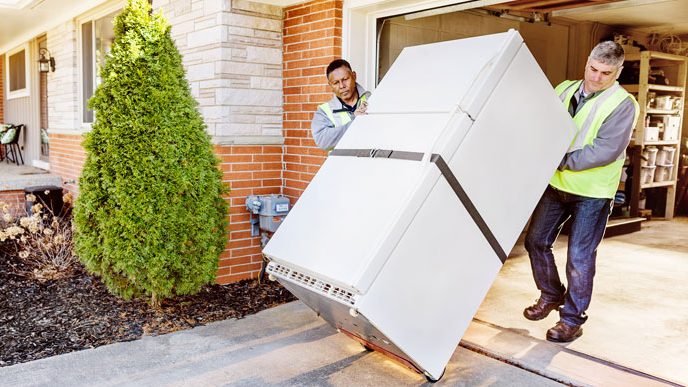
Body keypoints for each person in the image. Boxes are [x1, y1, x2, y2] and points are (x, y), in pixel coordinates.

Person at [523, 41, 639, 342]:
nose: (597, 77)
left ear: (618, 71)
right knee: (536, 241)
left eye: (606, 73)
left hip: (593, 191)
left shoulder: (623, 104)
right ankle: (551, 294)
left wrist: (558, 160)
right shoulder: (564, 89)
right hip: (557, 184)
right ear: (587, 61)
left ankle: (572, 319)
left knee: (579, 256)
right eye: (594, 69)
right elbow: (543, 122)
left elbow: (606, 150)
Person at [311, 59, 371, 150]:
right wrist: (355, 121)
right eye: (336, 83)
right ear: (330, 85)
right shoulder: (324, 111)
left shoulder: (372, 99)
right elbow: (323, 141)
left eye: (345, 79)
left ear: (354, 76)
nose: (342, 86)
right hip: (341, 164)